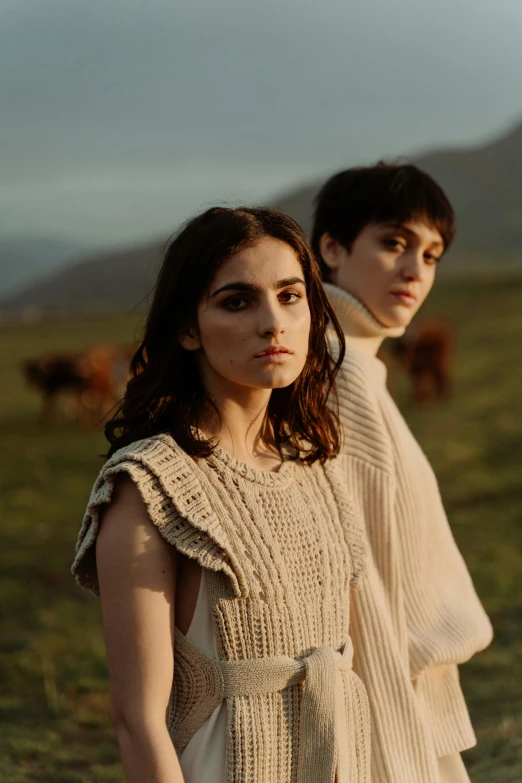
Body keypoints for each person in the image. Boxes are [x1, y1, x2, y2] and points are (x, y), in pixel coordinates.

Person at [72, 206, 373, 783]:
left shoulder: (318, 466)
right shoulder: (148, 485)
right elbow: (137, 719)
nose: (273, 322)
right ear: (188, 328)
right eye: (237, 301)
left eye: (290, 296)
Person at [312, 163, 493, 783]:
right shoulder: (342, 376)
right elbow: (364, 585)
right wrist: (397, 738)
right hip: (391, 701)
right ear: (331, 248)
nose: (416, 271)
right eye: (394, 243)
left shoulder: (351, 363)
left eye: (432, 254)